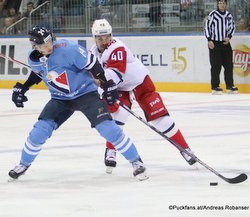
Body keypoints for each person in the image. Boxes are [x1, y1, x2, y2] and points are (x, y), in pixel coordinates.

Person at [8, 25, 148, 181]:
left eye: (49, 41)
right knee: (39, 131)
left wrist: (106, 84)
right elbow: (38, 73)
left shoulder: (68, 48)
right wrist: (24, 87)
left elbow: (93, 64)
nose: (48, 46)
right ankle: (23, 164)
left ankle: (136, 161)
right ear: (34, 46)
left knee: (108, 129)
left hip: (85, 94)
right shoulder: (33, 58)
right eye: (42, 44)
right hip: (60, 99)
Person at [89, 19, 197, 174]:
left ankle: (184, 149)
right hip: (119, 87)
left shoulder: (117, 48)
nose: (104, 41)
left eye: (106, 37)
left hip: (140, 83)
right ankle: (110, 150)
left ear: (111, 35)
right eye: (100, 38)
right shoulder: (92, 52)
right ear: (94, 38)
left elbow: (115, 74)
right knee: (116, 117)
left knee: (161, 118)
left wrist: (102, 89)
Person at [204, 0, 238, 95]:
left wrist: (229, 37)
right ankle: (215, 87)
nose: (222, 5)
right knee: (216, 66)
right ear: (217, 4)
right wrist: (209, 40)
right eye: (220, 3)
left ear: (226, 4)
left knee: (229, 65)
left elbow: (233, 27)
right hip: (215, 43)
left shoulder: (228, 15)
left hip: (226, 43)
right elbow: (207, 27)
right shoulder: (213, 14)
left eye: (223, 3)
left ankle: (230, 86)